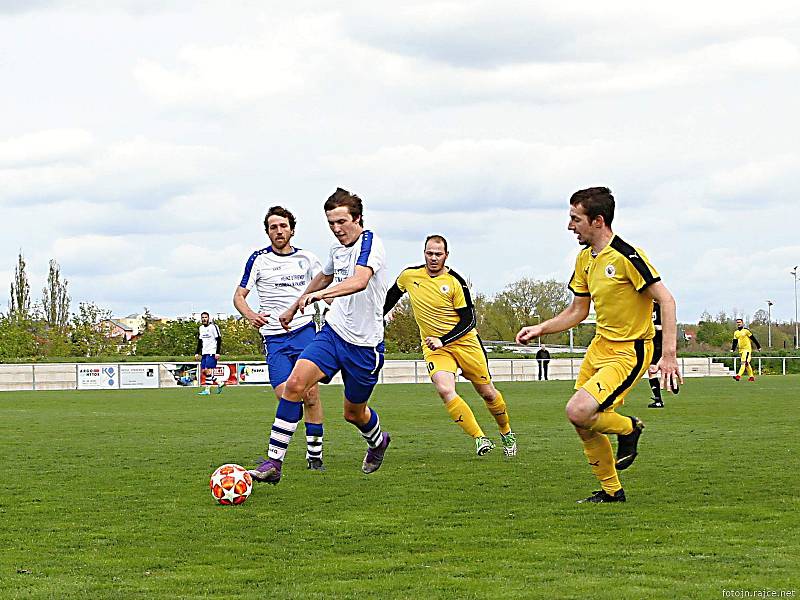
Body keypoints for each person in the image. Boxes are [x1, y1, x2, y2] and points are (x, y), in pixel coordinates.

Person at [516, 187, 681, 503]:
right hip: (600, 347)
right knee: (582, 421)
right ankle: (611, 491)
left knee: (579, 410)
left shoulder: (627, 256)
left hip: (630, 350)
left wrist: (669, 355)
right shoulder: (584, 259)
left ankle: (629, 429)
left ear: (598, 220)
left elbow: (666, 299)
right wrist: (541, 329)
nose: (570, 226)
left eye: (575, 219)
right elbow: (578, 311)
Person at [248, 188, 390, 484]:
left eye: (342, 222)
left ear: (358, 218)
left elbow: (360, 280)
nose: (337, 230)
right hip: (333, 333)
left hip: (364, 346)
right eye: (331, 224)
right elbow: (323, 276)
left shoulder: (370, 243)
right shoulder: (336, 251)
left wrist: (319, 296)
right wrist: (294, 305)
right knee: (295, 384)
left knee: (353, 413)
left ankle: (378, 442)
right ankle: (274, 462)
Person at [384, 235, 517, 457]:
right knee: (445, 389)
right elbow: (390, 299)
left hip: (466, 345)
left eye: (438, 254)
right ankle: (480, 438)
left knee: (488, 394)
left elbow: (469, 321)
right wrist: (373, 320)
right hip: (436, 348)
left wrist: (443, 339)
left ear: (446, 255)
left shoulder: (455, 281)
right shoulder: (409, 276)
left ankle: (506, 432)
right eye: (429, 253)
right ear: (424, 253)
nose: (433, 258)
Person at [234, 206, 326, 470]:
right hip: (274, 337)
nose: (278, 231)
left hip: (305, 332)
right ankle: (291, 424)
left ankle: (314, 457)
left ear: (292, 229)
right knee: (285, 395)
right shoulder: (258, 259)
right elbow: (239, 296)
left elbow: (325, 284)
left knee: (311, 394)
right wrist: (250, 315)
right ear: (268, 232)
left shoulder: (308, 259)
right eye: (273, 227)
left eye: (283, 226)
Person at [194, 311, 224, 395]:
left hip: (212, 351)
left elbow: (219, 339)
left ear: (208, 318)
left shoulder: (213, 327)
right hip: (204, 352)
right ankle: (219, 382)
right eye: (202, 317)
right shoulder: (201, 328)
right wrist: (197, 353)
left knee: (207, 370)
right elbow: (200, 341)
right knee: (204, 371)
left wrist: (217, 352)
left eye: (205, 317)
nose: (204, 319)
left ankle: (207, 390)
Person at [647, 301, 665, 408]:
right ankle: (658, 399)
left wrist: (654, 327)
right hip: (648, 343)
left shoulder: (660, 307)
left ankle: (658, 400)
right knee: (651, 371)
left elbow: (666, 326)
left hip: (659, 344)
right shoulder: (644, 306)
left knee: (652, 369)